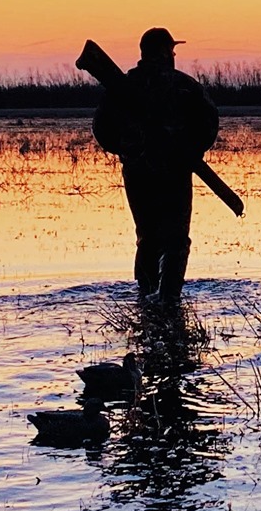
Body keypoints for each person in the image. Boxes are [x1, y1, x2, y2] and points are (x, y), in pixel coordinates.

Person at [92, 27, 220, 305]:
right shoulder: (184, 85)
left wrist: (128, 150)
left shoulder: (124, 86)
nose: (174, 55)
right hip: (175, 174)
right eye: (171, 50)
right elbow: (210, 123)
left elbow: (101, 129)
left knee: (147, 238)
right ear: (164, 52)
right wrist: (190, 152)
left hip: (137, 174)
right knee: (176, 241)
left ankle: (146, 298)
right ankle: (169, 299)